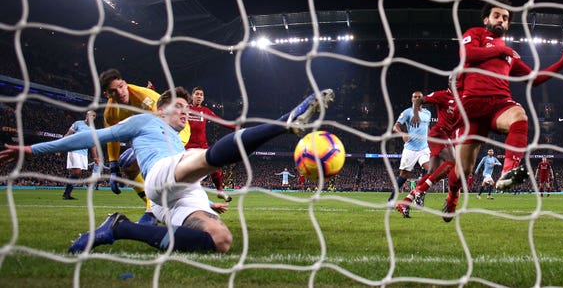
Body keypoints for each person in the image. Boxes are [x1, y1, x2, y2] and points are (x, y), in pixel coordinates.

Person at [0, 87, 334, 254]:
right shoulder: (144, 122)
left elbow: (186, 173)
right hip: (160, 176)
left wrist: (207, 198)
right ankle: (285, 124)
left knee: (221, 241)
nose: (185, 113)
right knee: (204, 158)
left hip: (175, 196)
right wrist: (30, 149)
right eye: (179, 108)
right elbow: (91, 138)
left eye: (188, 109)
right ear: (161, 109)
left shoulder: (178, 138)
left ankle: (119, 227)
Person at [442, 0, 563, 222]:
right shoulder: (475, 34)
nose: (501, 20)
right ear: (486, 19)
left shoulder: (509, 55)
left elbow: (534, 79)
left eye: (505, 18)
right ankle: (452, 197)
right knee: (464, 170)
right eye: (497, 15)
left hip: (499, 105)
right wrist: (498, 51)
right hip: (471, 109)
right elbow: (468, 55)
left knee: (519, 116)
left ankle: (508, 171)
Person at [100, 69, 191, 225]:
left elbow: (166, 123)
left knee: (146, 164)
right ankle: (157, 208)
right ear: (107, 94)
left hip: (176, 131)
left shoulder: (144, 98)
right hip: (151, 136)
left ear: (125, 83)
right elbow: (113, 137)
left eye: (121, 86)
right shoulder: (111, 112)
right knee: (127, 164)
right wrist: (113, 166)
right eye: (114, 91)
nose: (120, 92)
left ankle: (153, 212)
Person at [396, 79, 460, 217]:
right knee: (453, 162)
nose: (457, 82)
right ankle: (421, 190)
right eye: (454, 80)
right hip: (439, 134)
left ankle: (406, 202)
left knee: (432, 172)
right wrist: (416, 113)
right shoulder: (442, 95)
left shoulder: (463, 98)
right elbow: (419, 101)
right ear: (449, 83)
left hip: (447, 136)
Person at [186, 86, 237, 202]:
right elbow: (165, 106)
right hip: (186, 147)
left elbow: (220, 121)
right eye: (197, 94)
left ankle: (220, 191)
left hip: (202, 146)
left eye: (201, 95)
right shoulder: (185, 109)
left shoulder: (205, 111)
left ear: (203, 98)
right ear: (192, 96)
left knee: (215, 166)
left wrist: (236, 128)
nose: (199, 96)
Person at [388, 91, 431, 203]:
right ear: (412, 99)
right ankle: (391, 200)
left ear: (423, 99)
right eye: (414, 97)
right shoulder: (407, 112)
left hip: (424, 148)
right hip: (410, 149)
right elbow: (395, 126)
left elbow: (427, 129)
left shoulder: (427, 113)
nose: (417, 98)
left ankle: (419, 196)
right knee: (404, 175)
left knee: (431, 170)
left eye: (419, 97)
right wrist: (402, 134)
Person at [62, 110, 99, 200]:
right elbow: (67, 135)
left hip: (84, 153)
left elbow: (92, 145)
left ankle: (67, 193)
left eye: (93, 115)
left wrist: (95, 157)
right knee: (77, 172)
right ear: (86, 115)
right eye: (89, 114)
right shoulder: (78, 124)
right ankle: (66, 194)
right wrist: (59, 146)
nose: (90, 116)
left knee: (78, 174)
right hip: (74, 150)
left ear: (94, 118)